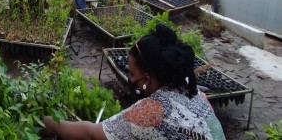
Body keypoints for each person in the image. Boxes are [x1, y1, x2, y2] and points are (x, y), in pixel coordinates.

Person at [42, 23, 226, 140]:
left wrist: (52, 124)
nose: (130, 79)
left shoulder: (153, 111)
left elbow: (92, 134)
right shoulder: (197, 94)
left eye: (131, 73)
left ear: (147, 77)